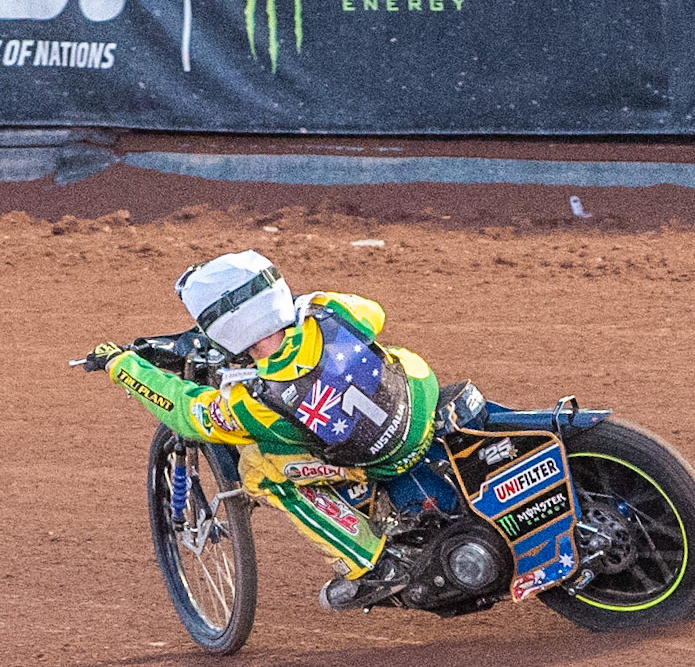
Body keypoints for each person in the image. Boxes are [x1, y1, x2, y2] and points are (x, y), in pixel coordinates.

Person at [82, 251, 439, 610]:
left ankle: (368, 564)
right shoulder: (329, 310)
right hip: (421, 401)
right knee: (389, 356)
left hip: (380, 458)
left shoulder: (251, 401)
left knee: (258, 469)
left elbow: (185, 410)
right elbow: (374, 312)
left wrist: (122, 365)